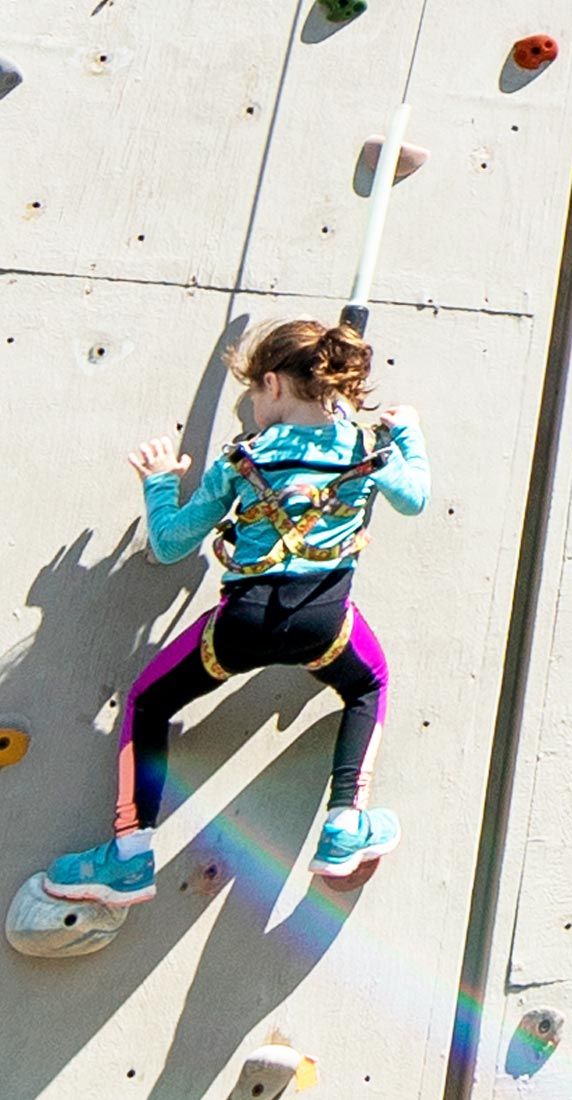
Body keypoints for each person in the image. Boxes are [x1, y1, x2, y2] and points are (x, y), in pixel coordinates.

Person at [42, 319, 430, 906]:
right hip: (325, 625)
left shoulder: (239, 460)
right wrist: (409, 438)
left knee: (149, 702)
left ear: (273, 384)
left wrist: (158, 482)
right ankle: (345, 825)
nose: (249, 406)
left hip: (239, 626)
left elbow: (171, 543)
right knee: (366, 684)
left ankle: (127, 856)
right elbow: (415, 498)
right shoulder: (364, 448)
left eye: (250, 393)